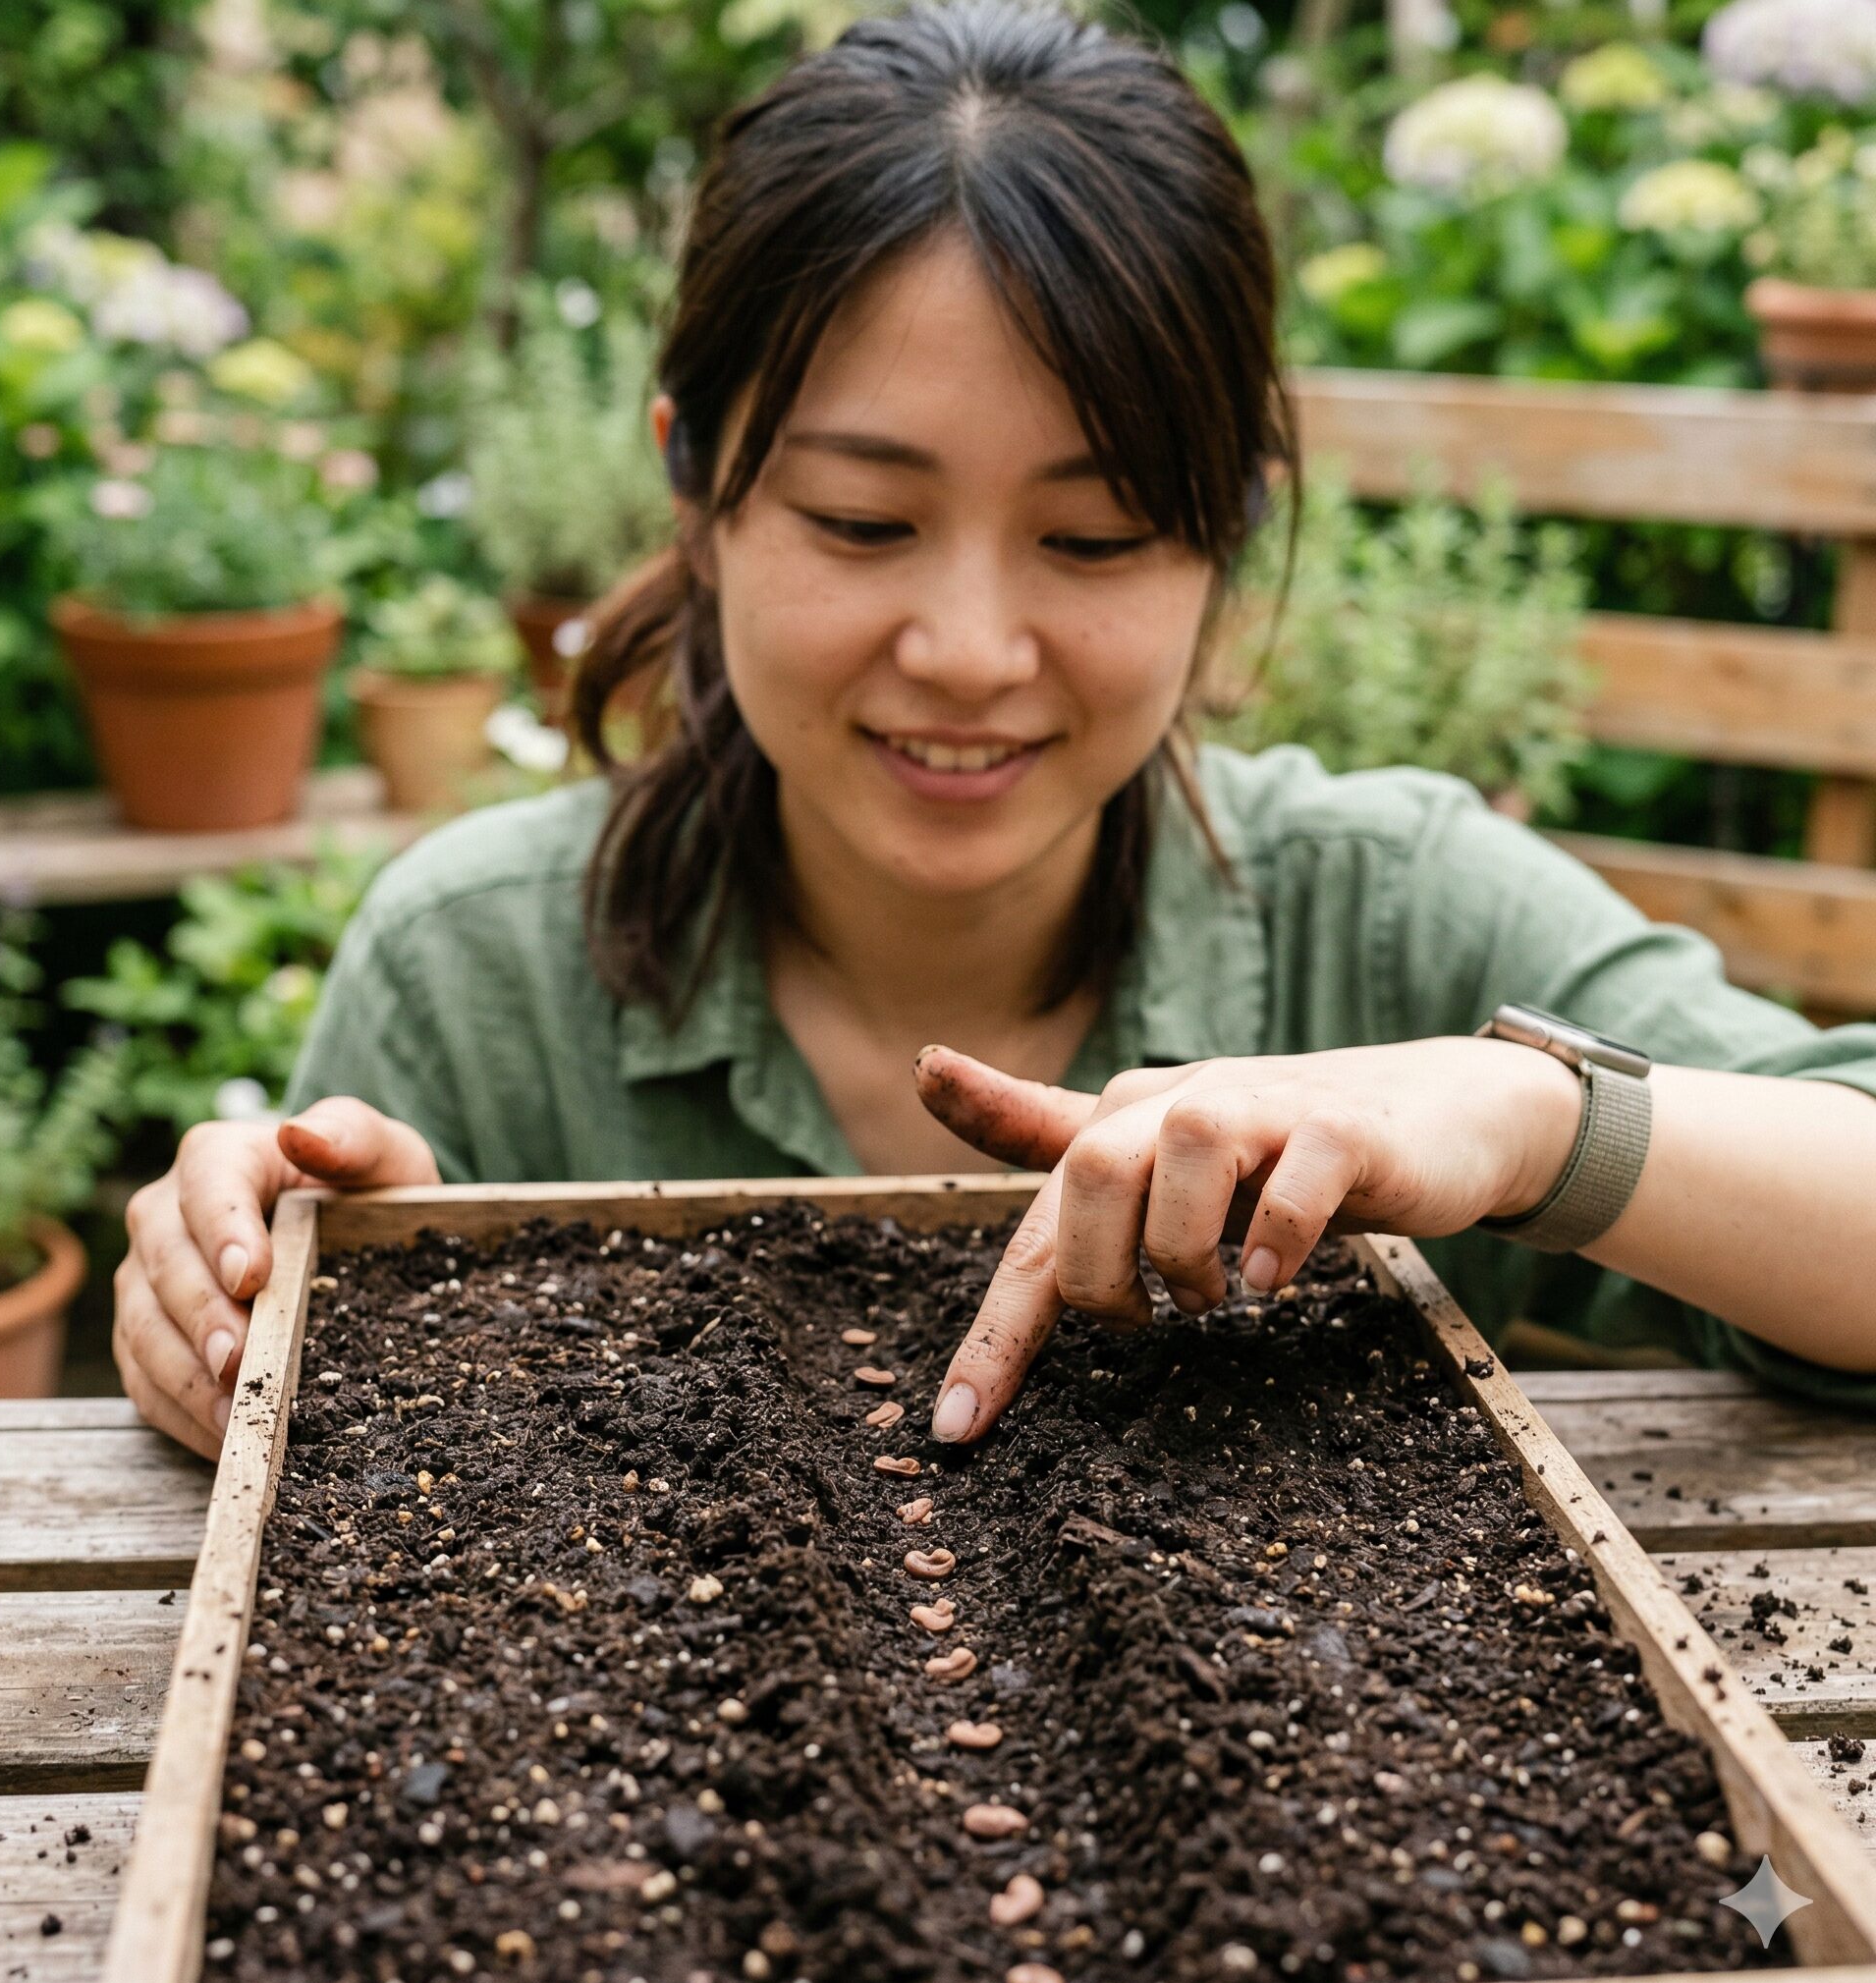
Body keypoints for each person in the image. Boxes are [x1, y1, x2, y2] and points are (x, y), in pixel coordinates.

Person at [113, 0, 1876, 1464]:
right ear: (698, 491)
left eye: (1096, 539)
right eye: (862, 524)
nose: (967, 652)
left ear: (1225, 534)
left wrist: (1525, 1116)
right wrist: (307, 1302)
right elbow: (312, 1444)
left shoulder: (1393, 916)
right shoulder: (473, 973)